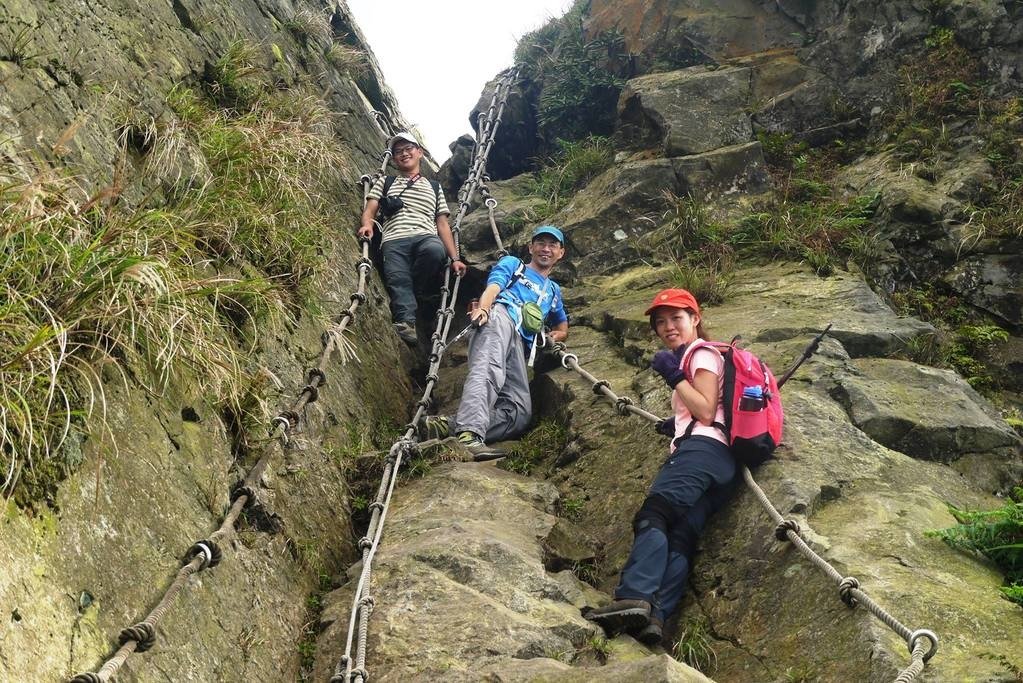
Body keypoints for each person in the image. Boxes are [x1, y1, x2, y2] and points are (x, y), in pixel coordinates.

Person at [584, 288, 737, 645]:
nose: (668, 327)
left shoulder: (701, 353)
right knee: (680, 536)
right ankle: (657, 617)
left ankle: (634, 597)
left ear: (695, 319)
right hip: (722, 462)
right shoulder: (704, 357)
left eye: (677, 318)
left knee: (654, 515)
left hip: (702, 452)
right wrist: (677, 423)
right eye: (661, 322)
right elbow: (708, 410)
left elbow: (703, 408)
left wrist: (675, 378)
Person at [421, 226, 569, 458]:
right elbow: (494, 285)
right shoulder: (514, 265)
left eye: (552, 245)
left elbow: (562, 326)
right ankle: (470, 434)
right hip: (500, 317)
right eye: (541, 243)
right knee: (488, 369)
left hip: (520, 344)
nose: (546, 249)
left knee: (519, 413)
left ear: (561, 253)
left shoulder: (553, 291)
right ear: (531, 248)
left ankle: (444, 426)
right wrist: (484, 309)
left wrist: (555, 337)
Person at [358, 132, 466, 346]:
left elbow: (442, 224)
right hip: (393, 239)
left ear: (420, 153)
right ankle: (406, 322)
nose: (404, 154)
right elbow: (370, 208)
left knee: (435, 251)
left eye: (409, 149)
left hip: (425, 235)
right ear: (394, 158)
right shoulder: (386, 182)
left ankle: (417, 294)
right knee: (398, 279)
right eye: (398, 152)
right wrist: (367, 224)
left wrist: (455, 258)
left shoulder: (434, 188)